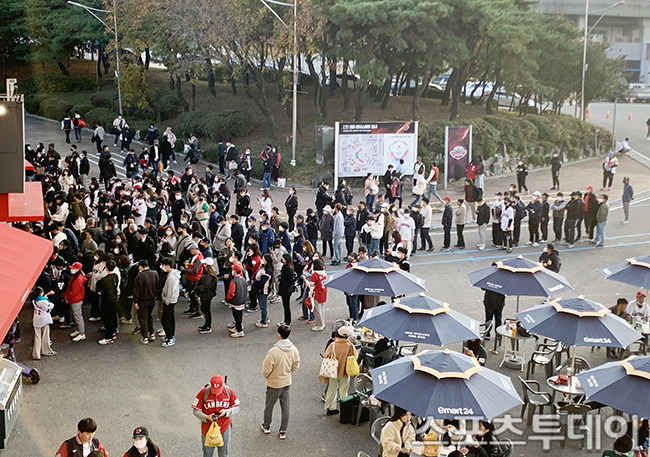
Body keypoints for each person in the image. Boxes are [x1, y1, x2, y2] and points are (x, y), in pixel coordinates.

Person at [261, 324, 300, 439]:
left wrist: (267, 376)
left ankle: (266, 426)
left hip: (274, 383)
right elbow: (296, 364)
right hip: (287, 382)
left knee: (269, 406)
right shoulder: (293, 349)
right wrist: (289, 372)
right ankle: (283, 430)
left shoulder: (274, 351)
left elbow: (266, 369)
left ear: (279, 335)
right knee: (285, 407)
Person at [192, 374, 240, 457]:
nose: (215, 393)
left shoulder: (229, 391)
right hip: (207, 429)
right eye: (213, 389)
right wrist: (206, 417)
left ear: (223, 386)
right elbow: (196, 411)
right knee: (207, 455)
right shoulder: (204, 392)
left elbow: (236, 407)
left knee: (224, 455)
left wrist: (226, 411)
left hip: (224, 428)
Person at [324, 327, 358, 415]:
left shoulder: (333, 345)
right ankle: (344, 408)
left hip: (333, 370)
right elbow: (355, 357)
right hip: (345, 371)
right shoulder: (350, 345)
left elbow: (326, 355)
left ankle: (331, 407)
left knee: (332, 389)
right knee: (344, 390)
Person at [133, 259, 159, 344]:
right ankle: (151, 333)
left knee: (143, 318)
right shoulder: (155, 273)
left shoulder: (139, 276)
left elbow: (136, 290)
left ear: (140, 266)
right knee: (149, 316)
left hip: (142, 300)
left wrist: (135, 301)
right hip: (152, 299)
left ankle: (145, 337)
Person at [96, 260, 119, 345]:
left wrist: (99, 272)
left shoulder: (104, 280)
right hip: (114, 299)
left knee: (107, 319)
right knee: (113, 317)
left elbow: (97, 288)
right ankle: (112, 333)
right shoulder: (115, 276)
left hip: (106, 301)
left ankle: (108, 337)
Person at [64, 262, 87, 342]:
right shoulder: (76, 277)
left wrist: (67, 297)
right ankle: (79, 330)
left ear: (77, 269)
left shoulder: (78, 279)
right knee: (76, 316)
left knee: (78, 317)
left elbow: (74, 292)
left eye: (73, 268)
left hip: (75, 300)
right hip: (74, 300)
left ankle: (81, 333)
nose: (71, 270)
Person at [159, 257, 180, 346]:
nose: (162, 267)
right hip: (171, 300)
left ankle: (170, 338)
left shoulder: (171, 277)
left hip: (169, 300)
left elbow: (170, 291)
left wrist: (167, 300)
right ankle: (170, 335)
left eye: (163, 265)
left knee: (165, 320)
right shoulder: (172, 274)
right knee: (171, 318)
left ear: (168, 266)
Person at [31, 286, 56, 359]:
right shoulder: (44, 301)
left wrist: (46, 296)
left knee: (37, 337)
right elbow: (51, 306)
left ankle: (36, 354)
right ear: (41, 293)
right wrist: (47, 297)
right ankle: (46, 351)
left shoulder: (34, 300)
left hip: (36, 319)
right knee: (45, 335)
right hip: (44, 319)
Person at [226, 264, 248, 337]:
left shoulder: (233, 281)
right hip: (242, 300)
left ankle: (239, 331)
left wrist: (227, 298)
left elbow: (231, 293)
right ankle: (239, 327)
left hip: (235, 302)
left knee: (236, 316)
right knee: (240, 315)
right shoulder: (243, 279)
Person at [310, 258, 328, 331]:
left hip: (317, 293)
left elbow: (311, 285)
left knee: (317, 310)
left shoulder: (315, 275)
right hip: (323, 292)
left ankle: (320, 325)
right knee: (322, 309)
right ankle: (322, 323)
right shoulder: (324, 273)